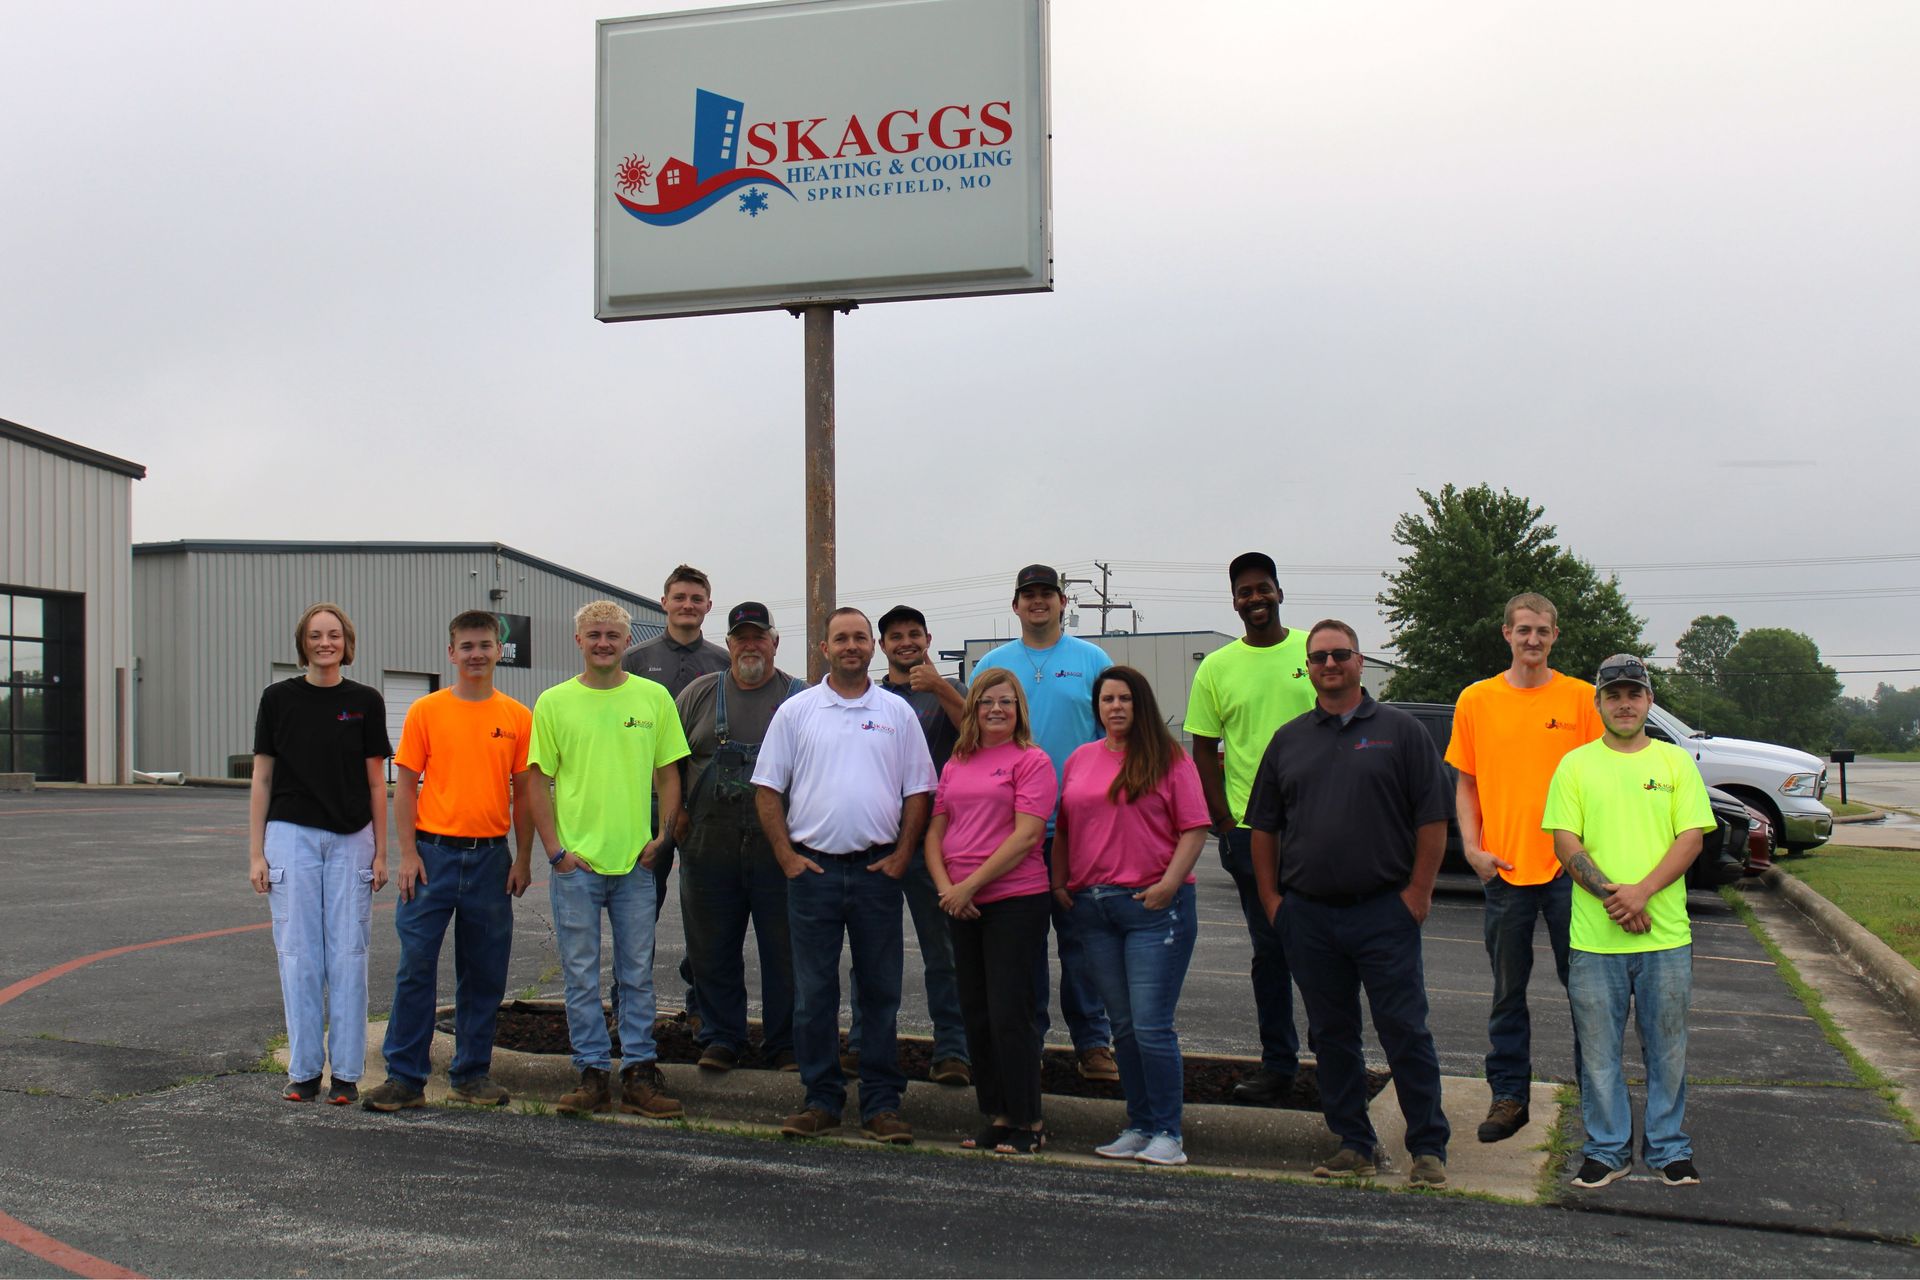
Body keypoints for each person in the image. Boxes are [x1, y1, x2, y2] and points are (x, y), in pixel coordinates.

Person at [1245, 620, 1452, 1188]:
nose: (1329, 664)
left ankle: (1428, 1147)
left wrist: (1418, 892)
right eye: (1318, 658)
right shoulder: (1289, 740)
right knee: (1330, 1035)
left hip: (1384, 911)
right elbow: (1264, 827)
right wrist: (1272, 900)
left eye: (1340, 655)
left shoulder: (1402, 732)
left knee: (1405, 1030)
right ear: (1307, 668)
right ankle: (1353, 1143)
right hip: (1308, 916)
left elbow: (1432, 819)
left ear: (1361, 662)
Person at [753, 607, 936, 1144]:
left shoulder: (897, 713)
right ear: (824, 648)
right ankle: (821, 1100)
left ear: (871, 647)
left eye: (860, 637)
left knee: (880, 993)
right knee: (813, 993)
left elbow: (919, 791)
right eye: (841, 638)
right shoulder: (797, 711)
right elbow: (767, 789)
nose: (852, 646)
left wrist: (904, 856)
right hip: (813, 873)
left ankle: (881, 1104)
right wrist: (787, 858)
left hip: (880, 873)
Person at [1543, 654, 1713, 1190]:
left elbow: (1691, 837)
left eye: (1633, 694)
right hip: (1594, 942)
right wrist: (1613, 896)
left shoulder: (1674, 764)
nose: (1624, 703)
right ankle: (1607, 1150)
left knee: (1668, 1051)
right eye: (1613, 695)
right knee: (1598, 1057)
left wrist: (1642, 892)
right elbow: (1565, 840)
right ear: (1598, 703)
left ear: (1649, 701)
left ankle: (1668, 1150)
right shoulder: (1575, 765)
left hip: (1666, 938)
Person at [1446, 592, 1601, 1143]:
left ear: (1555, 636)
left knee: (1585, 991)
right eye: (1523, 630)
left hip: (1569, 876)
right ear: (1506, 634)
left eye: (1542, 631)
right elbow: (1465, 783)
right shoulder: (1477, 700)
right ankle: (1509, 1097)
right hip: (1505, 872)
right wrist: (1472, 848)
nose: (1532, 639)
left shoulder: (1583, 700)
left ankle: (1597, 1105)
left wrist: (1586, 860)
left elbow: (1602, 783)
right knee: (1507, 994)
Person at [364, 611, 534, 1112]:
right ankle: (404, 1077)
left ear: (498, 651)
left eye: (485, 645)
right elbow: (405, 787)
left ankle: (471, 1073)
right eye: (467, 646)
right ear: (451, 653)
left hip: (489, 860)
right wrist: (408, 854)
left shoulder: (518, 717)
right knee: (416, 967)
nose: (476, 654)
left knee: (483, 972)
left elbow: (524, 796)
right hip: (432, 857)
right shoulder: (426, 711)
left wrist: (522, 859)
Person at [528, 600, 689, 1119]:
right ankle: (592, 1072)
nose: (603, 642)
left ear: (626, 641)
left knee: (636, 971)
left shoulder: (653, 698)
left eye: (613, 635)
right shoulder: (554, 703)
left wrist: (662, 838)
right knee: (579, 972)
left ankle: (639, 1072)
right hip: (578, 867)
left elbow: (669, 775)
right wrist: (555, 851)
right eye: (594, 634)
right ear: (579, 640)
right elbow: (538, 780)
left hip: (634, 866)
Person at [1053, 666, 1208, 1166]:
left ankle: (1169, 1133)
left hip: (1154, 909)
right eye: (1106, 699)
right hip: (1093, 909)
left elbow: (1194, 828)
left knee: (1151, 1026)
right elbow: (1067, 827)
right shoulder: (1080, 759)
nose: (1115, 707)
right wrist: (1060, 883)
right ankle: (1139, 1125)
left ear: (1140, 705)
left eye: (1124, 699)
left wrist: (1168, 884)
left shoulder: (1168, 758)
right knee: (1121, 1026)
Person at [970, 564, 1117, 1082]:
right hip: (1011, 832)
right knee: (1022, 947)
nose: (1038, 603)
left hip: (1077, 826)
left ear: (1061, 603)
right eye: (1028, 596)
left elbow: (1112, 736)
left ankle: (1093, 1043)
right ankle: (1024, 1041)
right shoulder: (992, 664)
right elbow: (975, 738)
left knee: (1081, 942)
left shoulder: (1092, 660)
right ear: (1015, 606)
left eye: (1047, 595)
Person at [1185, 550, 1315, 1106]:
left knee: (1325, 953)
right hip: (1251, 833)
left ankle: (1336, 1063)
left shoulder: (1313, 650)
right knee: (1270, 955)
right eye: (1244, 592)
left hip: (1321, 832)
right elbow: (1202, 747)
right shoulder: (1217, 668)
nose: (1255, 599)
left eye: (1263, 589)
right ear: (1235, 601)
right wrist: (1222, 824)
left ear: (1279, 593)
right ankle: (1278, 1065)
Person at [248, 602, 391, 1106]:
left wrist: (379, 851)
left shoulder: (366, 701)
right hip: (290, 836)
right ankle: (305, 1071)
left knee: (348, 953)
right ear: (303, 643)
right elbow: (262, 776)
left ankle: (348, 1074)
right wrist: (256, 852)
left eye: (333, 634)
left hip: (352, 838)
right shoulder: (277, 699)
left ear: (346, 642)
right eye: (315, 635)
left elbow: (378, 781)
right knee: (298, 955)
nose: (324, 643)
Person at [925, 669, 1057, 1154]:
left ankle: (1029, 1121)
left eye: (1006, 702)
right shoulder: (958, 762)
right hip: (960, 902)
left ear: (1019, 709)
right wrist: (947, 889)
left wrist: (971, 886)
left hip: (1013, 902)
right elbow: (936, 831)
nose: (996, 710)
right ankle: (997, 1115)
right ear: (973, 709)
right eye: (986, 702)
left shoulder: (1032, 761)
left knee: (1011, 1012)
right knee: (976, 1013)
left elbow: (1027, 836)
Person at [672, 602, 805, 1073]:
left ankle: (785, 1043)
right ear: (728, 645)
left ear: (774, 641)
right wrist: (675, 818)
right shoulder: (699, 694)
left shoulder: (800, 697)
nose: (750, 644)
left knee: (784, 948)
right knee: (711, 947)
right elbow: (668, 762)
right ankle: (721, 1037)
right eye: (740, 637)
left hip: (780, 846)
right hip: (709, 845)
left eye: (758, 636)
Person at [846, 603, 970, 1087]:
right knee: (872, 952)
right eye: (895, 636)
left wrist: (939, 686)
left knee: (943, 951)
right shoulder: (870, 698)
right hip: (878, 841)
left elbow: (977, 735)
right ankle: (863, 1044)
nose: (905, 643)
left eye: (914, 634)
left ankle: (953, 1050)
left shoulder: (954, 691)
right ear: (882, 646)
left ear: (928, 638)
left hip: (935, 844)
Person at [619, 564, 729, 1018]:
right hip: (645, 805)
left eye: (696, 599)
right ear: (663, 602)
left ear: (708, 605)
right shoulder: (636, 661)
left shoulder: (723, 662)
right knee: (637, 912)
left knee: (705, 918)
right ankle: (626, 1011)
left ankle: (702, 1011)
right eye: (679, 597)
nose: (687, 605)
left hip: (708, 808)